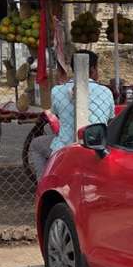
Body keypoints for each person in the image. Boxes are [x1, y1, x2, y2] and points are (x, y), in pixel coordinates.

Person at [29, 50, 115, 180]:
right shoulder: (106, 92)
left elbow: (55, 114)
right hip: (97, 147)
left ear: (73, 69)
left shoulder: (57, 91)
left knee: (36, 144)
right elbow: (110, 118)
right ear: (93, 69)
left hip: (65, 148)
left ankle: (44, 181)